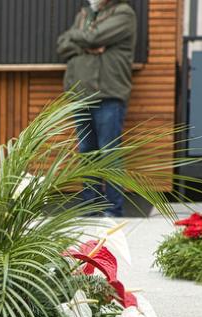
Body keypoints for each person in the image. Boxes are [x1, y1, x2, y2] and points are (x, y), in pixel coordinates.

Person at [57, 0, 137, 217]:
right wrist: (88, 46)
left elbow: (94, 37)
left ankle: (113, 209)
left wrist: (85, 40)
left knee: (109, 152)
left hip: (108, 95)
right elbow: (62, 44)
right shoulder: (84, 14)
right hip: (80, 95)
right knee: (86, 152)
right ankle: (89, 207)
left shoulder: (124, 13)